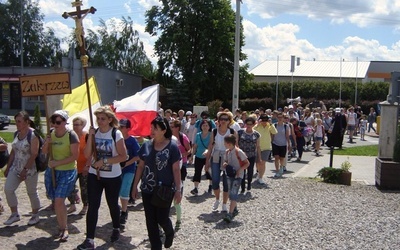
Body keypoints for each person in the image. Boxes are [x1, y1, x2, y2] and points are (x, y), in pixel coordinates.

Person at [77, 106, 128, 249]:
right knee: (93, 206)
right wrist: (91, 137)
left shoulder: (116, 134)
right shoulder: (94, 133)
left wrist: (104, 161)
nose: (99, 121)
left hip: (112, 176)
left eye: (103, 119)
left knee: (112, 204)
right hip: (95, 175)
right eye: (98, 118)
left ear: (110, 120)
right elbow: (87, 154)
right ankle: (89, 239)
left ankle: (116, 227)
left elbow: (123, 156)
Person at [131, 116, 182, 250]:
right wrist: (135, 185)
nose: (152, 130)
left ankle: (169, 232)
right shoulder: (146, 145)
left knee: (162, 217)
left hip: (164, 189)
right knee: (150, 221)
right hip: (147, 187)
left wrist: (178, 189)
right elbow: (140, 166)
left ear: (164, 130)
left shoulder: (172, 147)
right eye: (151, 127)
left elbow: (176, 169)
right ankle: (156, 247)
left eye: (155, 128)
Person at [42, 110, 79, 241]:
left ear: (64, 122)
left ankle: (64, 228)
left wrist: (57, 162)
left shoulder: (71, 135)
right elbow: (44, 151)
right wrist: (47, 142)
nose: (55, 124)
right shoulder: (51, 134)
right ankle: (61, 227)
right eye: (53, 122)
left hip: (67, 171)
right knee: (57, 202)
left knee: (59, 200)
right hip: (53, 171)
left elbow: (75, 156)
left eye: (58, 122)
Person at [3, 111, 41, 226]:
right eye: (16, 121)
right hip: (16, 167)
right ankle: (14, 214)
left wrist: (25, 170)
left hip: (30, 168)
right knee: (8, 189)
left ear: (27, 122)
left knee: (31, 192)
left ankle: (35, 214)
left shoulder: (33, 135)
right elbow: (13, 152)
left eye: (19, 121)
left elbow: (34, 154)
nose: (17, 124)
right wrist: (8, 167)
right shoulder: (16, 133)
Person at [205, 112, 237, 212]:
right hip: (216, 157)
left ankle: (224, 204)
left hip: (228, 157)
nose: (223, 121)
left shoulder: (232, 131)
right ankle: (217, 199)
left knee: (226, 182)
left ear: (229, 121)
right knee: (215, 180)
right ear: (218, 121)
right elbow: (210, 146)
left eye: (226, 119)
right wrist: (207, 162)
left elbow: (236, 147)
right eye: (221, 119)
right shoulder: (214, 131)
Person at [118, 119, 140, 231]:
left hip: (129, 169)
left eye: (122, 127)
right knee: (116, 191)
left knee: (124, 190)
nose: (119, 128)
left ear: (128, 128)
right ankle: (119, 209)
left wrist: (125, 164)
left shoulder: (132, 141)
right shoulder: (115, 139)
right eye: (119, 126)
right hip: (116, 170)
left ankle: (123, 212)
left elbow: (138, 156)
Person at [222, 134, 249, 223]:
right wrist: (225, 164)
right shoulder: (227, 152)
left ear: (229, 143)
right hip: (230, 175)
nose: (224, 144)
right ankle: (235, 209)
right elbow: (226, 161)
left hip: (238, 176)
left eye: (225, 143)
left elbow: (247, 163)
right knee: (230, 192)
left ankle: (230, 213)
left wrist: (240, 170)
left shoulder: (239, 152)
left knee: (233, 193)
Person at [170, 119, 190, 231]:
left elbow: (189, 149)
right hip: (172, 164)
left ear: (177, 127)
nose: (171, 128)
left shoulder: (183, 137)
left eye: (172, 126)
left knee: (180, 182)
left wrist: (183, 155)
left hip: (182, 163)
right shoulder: (168, 138)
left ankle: (179, 197)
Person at [69, 117, 90, 215]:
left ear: (83, 125)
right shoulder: (70, 136)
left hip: (84, 167)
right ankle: (72, 204)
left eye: (78, 124)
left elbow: (91, 152)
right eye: (74, 124)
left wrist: (87, 165)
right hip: (72, 167)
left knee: (84, 187)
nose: (75, 127)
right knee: (70, 186)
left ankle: (86, 205)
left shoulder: (86, 136)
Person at [237, 117, 261, 193]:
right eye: (247, 124)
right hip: (242, 155)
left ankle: (249, 183)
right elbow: (236, 143)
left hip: (252, 155)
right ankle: (242, 186)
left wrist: (259, 157)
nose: (249, 125)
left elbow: (258, 146)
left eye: (251, 124)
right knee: (242, 170)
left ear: (254, 124)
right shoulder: (240, 132)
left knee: (250, 170)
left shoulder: (256, 134)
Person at [190, 119, 213, 195]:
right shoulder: (198, 135)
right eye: (203, 125)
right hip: (198, 156)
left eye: (207, 125)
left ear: (209, 127)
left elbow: (212, 146)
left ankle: (210, 185)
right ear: (201, 126)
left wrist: (207, 151)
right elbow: (195, 146)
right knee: (197, 172)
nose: (205, 127)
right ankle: (196, 188)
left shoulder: (211, 135)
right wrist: (192, 156)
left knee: (209, 171)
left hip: (208, 156)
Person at [254, 114, 277, 183]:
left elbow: (275, 132)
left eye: (265, 120)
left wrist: (271, 124)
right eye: (262, 120)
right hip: (258, 147)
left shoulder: (269, 126)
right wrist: (258, 124)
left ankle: (261, 177)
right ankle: (259, 173)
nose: (264, 122)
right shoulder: (257, 126)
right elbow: (252, 131)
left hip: (267, 147)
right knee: (258, 163)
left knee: (263, 162)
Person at [272, 112, 291, 178]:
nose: (280, 119)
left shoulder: (286, 126)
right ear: (277, 118)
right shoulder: (274, 125)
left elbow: (287, 136)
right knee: (276, 157)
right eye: (278, 117)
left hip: (283, 144)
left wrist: (289, 144)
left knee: (282, 158)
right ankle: (277, 171)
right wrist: (271, 142)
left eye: (281, 117)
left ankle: (281, 168)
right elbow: (272, 135)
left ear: (283, 118)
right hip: (275, 143)